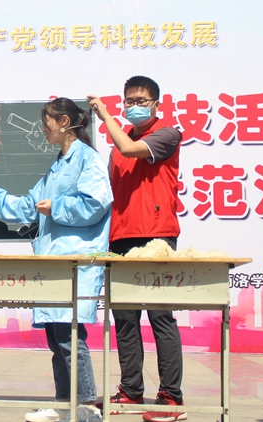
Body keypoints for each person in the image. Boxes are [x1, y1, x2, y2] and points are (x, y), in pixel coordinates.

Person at [0, 98, 112, 422]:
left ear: (64, 122)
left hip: (73, 262)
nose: (43, 130)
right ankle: (64, 405)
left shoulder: (87, 160)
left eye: (46, 123)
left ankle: (87, 407)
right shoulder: (58, 165)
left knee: (69, 337)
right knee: (57, 338)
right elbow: (30, 206)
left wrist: (57, 207)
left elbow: (96, 204)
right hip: (53, 263)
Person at [88, 76, 186, 422]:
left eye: (141, 101)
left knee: (160, 317)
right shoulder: (119, 143)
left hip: (156, 237)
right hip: (120, 238)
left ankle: (171, 397)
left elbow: (132, 151)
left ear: (157, 104)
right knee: (125, 319)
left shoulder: (167, 134)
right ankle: (131, 390)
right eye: (129, 100)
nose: (134, 106)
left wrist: (105, 116)